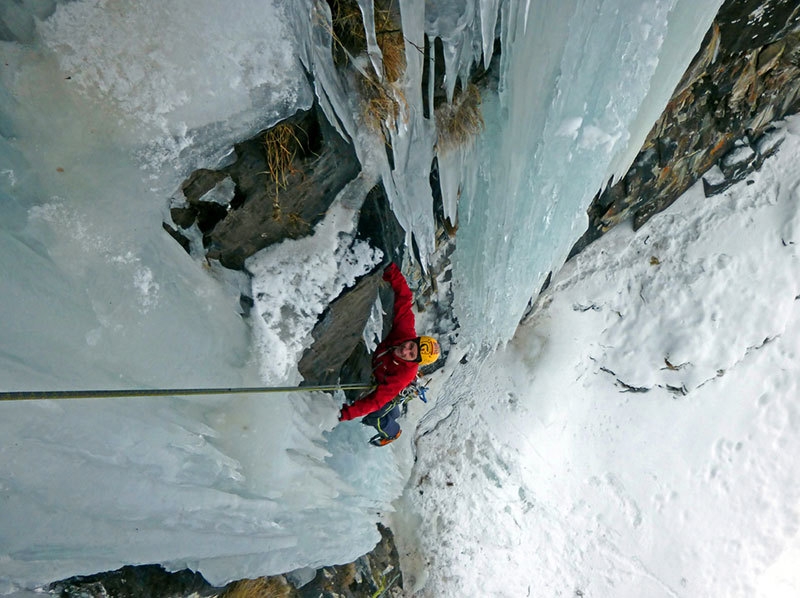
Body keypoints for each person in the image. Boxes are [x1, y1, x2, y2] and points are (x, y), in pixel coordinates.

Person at [338, 262, 440, 446]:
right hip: (381, 371)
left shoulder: (403, 374)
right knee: (388, 409)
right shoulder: (405, 331)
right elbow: (405, 298)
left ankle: (393, 433)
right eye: (411, 345)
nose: (405, 350)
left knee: (375, 417)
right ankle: (395, 414)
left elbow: (375, 401)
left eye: (411, 354)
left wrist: (345, 414)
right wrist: (390, 269)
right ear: (413, 339)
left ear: (415, 361)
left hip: (389, 389)